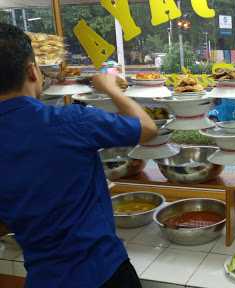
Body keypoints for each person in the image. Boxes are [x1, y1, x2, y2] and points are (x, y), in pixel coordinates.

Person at [0, 23, 158, 287]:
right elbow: (148, 128)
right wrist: (111, 88)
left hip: (44, 278)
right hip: (103, 272)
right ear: (31, 71)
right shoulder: (69, 121)